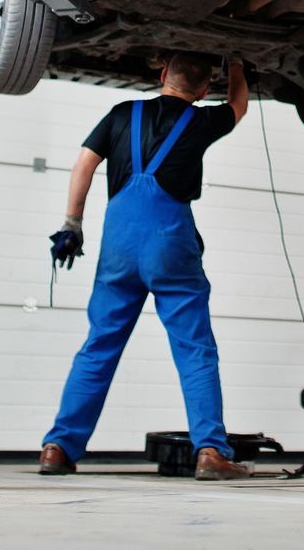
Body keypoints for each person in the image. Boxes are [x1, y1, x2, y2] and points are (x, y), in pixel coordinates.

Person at [39, 52, 252, 481]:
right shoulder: (203, 121)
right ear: (202, 91)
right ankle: (210, 451)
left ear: (161, 76)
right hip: (170, 243)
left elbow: (84, 162)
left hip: (120, 245)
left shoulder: (122, 114)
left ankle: (58, 448)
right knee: (194, 348)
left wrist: (72, 224)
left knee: (99, 346)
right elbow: (239, 106)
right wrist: (239, 69)